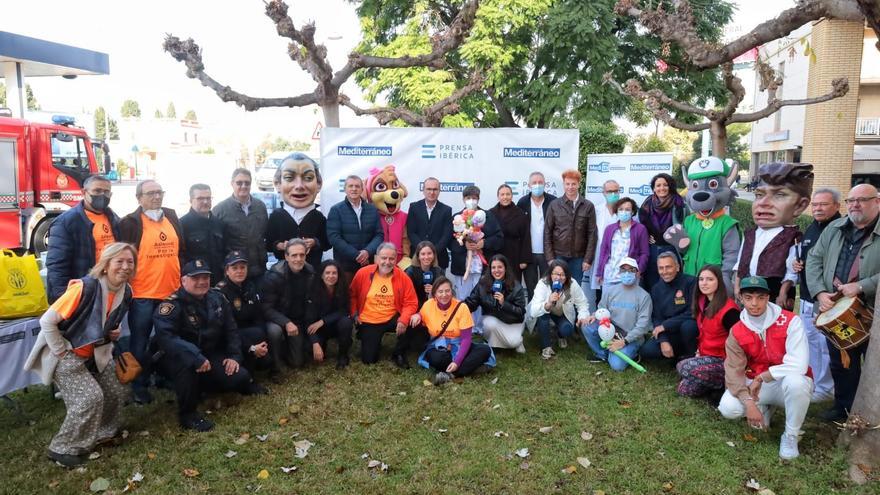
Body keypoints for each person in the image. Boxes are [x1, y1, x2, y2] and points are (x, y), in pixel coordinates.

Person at [25, 242, 135, 467]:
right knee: (89, 399)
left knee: (117, 390)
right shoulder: (84, 288)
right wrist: (62, 352)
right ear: (105, 265)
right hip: (66, 353)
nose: (125, 266)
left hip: (98, 353)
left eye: (130, 262)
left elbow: (107, 322)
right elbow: (47, 321)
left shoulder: (127, 291)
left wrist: (115, 332)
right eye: (119, 261)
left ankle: (104, 432)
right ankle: (63, 448)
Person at [153, 259, 265, 432]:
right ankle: (188, 415)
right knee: (186, 363)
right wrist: (195, 356)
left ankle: (210, 386)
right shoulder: (171, 305)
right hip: (179, 356)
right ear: (183, 280)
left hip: (209, 353)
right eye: (196, 278)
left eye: (205, 277)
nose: (202, 282)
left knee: (240, 377)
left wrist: (234, 357)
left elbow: (231, 330)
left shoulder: (217, 298)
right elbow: (166, 338)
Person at [806, 183, 880, 422]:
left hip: (873, 309)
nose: (855, 205)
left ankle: (872, 412)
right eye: (851, 200)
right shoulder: (835, 229)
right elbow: (814, 260)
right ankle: (844, 407)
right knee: (841, 362)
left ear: (877, 202)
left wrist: (861, 286)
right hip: (836, 308)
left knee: (874, 365)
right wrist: (819, 293)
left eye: (863, 199)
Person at [717, 276, 812, 460]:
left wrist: (764, 376)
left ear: (768, 298)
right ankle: (763, 406)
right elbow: (733, 370)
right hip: (756, 385)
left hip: (785, 382)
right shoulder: (737, 330)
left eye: (760, 297)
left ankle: (791, 436)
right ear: (741, 298)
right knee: (728, 408)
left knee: (796, 383)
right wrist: (749, 403)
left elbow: (799, 364)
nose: (754, 303)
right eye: (749, 297)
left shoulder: (791, 321)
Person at [118, 179, 184, 405]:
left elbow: (180, 250)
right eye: (150, 193)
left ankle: (163, 376)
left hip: (171, 293)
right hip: (143, 295)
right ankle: (139, 385)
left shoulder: (172, 216)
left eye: (159, 192)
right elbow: (123, 257)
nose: (156, 197)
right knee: (140, 342)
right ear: (139, 198)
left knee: (169, 340)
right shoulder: (130, 223)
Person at [734, 163, 813, 308]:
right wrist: (737, 285)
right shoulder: (750, 233)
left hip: (774, 290)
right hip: (748, 286)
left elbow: (792, 269)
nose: (763, 203)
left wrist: (783, 293)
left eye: (779, 195)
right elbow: (741, 261)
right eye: (759, 195)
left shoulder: (792, 237)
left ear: (800, 206)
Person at [791, 188, 841, 402]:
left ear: (837, 206)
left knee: (824, 344)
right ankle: (815, 382)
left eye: (824, 204)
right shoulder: (812, 227)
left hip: (827, 298)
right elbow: (808, 258)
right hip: (807, 296)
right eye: (816, 204)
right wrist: (797, 264)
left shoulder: (840, 229)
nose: (818, 208)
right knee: (810, 340)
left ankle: (826, 388)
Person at [46, 175, 120, 302]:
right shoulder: (66, 222)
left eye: (106, 192)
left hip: (110, 289)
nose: (102, 195)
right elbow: (57, 265)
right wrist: (63, 298)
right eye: (97, 191)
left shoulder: (113, 218)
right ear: (84, 192)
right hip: (83, 291)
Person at [349, 243, 420, 367]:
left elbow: (411, 302)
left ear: (396, 259)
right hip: (369, 320)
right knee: (369, 360)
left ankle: (399, 353)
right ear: (376, 258)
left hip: (392, 318)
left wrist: (403, 320)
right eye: (384, 258)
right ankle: (368, 337)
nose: (387, 262)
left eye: (391, 258)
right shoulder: (363, 273)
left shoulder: (403, 277)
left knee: (413, 321)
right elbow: (352, 295)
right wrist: (354, 314)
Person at [213, 251, 279, 382]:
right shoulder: (220, 293)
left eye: (242, 267)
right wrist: (252, 346)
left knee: (261, 332)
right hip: (230, 337)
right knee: (255, 334)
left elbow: (258, 315)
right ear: (227, 271)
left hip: (252, 333)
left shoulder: (249, 286)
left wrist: (263, 341)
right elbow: (227, 329)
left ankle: (264, 361)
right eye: (234, 268)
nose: (239, 271)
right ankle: (249, 374)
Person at [675, 264, 740, 398]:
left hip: (724, 360)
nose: (704, 283)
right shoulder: (702, 301)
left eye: (710, 279)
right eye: (701, 279)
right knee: (684, 390)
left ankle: (721, 384)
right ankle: (712, 386)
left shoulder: (729, 310)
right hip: (706, 355)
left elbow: (739, 341)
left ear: (719, 282)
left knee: (683, 367)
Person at [416, 276, 495, 385]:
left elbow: (466, 339)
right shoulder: (428, 305)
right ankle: (469, 369)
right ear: (434, 294)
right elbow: (421, 317)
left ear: (452, 291)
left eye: (447, 291)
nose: (444, 295)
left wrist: (457, 361)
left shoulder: (462, 307)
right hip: (439, 347)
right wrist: (417, 316)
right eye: (440, 292)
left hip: (459, 344)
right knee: (435, 358)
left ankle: (451, 374)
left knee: (485, 350)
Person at [449, 185, 504, 330]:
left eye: (474, 198)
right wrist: (464, 245)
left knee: (481, 295)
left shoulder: (488, 216)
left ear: (478, 199)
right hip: (463, 266)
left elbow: (499, 238)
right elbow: (449, 241)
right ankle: (464, 326)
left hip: (482, 266)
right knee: (463, 295)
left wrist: (483, 243)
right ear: (463, 199)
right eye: (468, 198)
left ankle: (479, 326)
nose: (471, 201)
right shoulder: (457, 217)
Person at [583, 257, 652, 371]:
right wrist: (593, 315)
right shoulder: (611, 291)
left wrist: (624, 341)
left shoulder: (644, 296)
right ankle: (603, 355)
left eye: (631, 270)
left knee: (617, 366)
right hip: (611, 331)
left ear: (637, 273)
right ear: (619, 272)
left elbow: (643, 326)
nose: (627, 273)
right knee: (587, 326)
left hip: (631, 337)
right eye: (623, 270)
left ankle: (632, 353)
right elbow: (602, 309)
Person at [266, 153, 329, 269]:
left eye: (308, 178)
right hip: (283, 274)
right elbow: (268, 244)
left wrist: (315, 242)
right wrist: (279, 245)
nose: (299, 186)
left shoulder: (319, 217)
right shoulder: (276, 216)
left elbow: (327, 243)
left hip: (312, 273)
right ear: (277, 184)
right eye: (289, 178)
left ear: (319, 184)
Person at [260, 239, 313, 369]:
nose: (298, 259)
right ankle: (275, 364)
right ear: (286, 256)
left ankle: (287, 348)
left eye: (302, 255)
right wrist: (286, 322)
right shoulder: (273, 276)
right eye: (294, 255)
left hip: (298, 321)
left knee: (297, 363)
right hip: (277, 320)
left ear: (306, 255)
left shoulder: (310, 272)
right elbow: (266, 308)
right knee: (274, 332)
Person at [544, 169, 598, 295]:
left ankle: (573, 314)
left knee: (575, 290)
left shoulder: (588, 206)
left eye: (573, 184)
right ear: (563, 184)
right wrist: (550, 258)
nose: (570, 187)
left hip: (578, 258)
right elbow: (547, 232)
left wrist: (588, 259)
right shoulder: (554, 205)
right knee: (556, 289)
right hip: (558, 256)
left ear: (579, 184)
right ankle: (557, 314)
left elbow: (592, 234)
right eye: (567, 184)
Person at [639, 252, 698, 361]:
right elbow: (657, 318)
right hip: (669, 332)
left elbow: (693, 312)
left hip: (687, 329)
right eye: (661, 268)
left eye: (668, 267)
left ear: (677, 267)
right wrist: (663, 340)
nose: (664, 272)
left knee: (689, 326)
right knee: (647, 351)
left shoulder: (691, 282)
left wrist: (666, 325)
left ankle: (690, 357)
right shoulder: (656, 289)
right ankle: (676, 356)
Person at [464, 254, 528, 353]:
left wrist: (504, 304)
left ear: (505, 268)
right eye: (493, 267)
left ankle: (517, 342)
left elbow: (520, 311)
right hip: (493, 320)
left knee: (513, 343)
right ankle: (493, 344)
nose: (496, 270)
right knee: (489, 323)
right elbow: (472, 302)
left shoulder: (516, 286)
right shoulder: (483, 283)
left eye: (500, 267)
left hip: (512, 321)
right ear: (490, 269)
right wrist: (457, 307)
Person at [528, 259, 591, 360]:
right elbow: (534, 310)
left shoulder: (572, 284)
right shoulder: (543, 284)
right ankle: (546, 347)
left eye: (562, 274)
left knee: (566, 329)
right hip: (545, 312)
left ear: (567, 276)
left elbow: (582, 303)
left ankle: (560, 335)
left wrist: (582, 317)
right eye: (556, 274)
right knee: (542, 315)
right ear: (550, 274)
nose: (559, 277)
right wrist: (548, 304)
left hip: (561, 313)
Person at [213, 168, 269, 279]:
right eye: (239, 183)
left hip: (259, 268)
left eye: (247, 183)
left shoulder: (260, 206)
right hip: (235, 271)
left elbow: (264, 233)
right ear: (232, 184)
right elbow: (217, 244)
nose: (243, 186)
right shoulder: (220, 210)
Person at [327, 175, 384, 280]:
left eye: (357, 186)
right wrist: (357, 255)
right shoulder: (336, 210)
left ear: (362, 189)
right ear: (345, 189)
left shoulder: (372, 209)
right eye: (350, 186)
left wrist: (367, 252)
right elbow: (334, 237)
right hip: (345, 267)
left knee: (368, 295)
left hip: (368, 265)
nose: (354, 189)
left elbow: (379, 234)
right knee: (347, 295)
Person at [638, 173, 685, 290]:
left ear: (670, 186)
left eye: (665, 185)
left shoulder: (678, 203)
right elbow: (642, 224)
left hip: (672, 248)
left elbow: (684, 225)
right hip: (653, 248)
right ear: (654, 188)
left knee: (672, 283)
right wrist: (646, 235)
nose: (662, 188)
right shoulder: (647, 204)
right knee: (652, 282)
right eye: (658, 185)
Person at [305, 260, 354, 369]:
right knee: (309, 351)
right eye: (327, 273)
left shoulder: (343, 287)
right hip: (318, 329)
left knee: (346, 322)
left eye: (334, 273)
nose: (331, 276)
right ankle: (322, 345)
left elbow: (344, 310)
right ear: (321, 275)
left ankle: (343, 355)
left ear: (338, 274)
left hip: (335, 325)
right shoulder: (312, 289)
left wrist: (323, 321)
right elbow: (308, 321)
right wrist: (315, 343)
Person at [516, 171, 557, 300]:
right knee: (531, 287)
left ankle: (545, 317)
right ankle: (532, 316)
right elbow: (519, 231)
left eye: (540, 182)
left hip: (548, 253)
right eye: (534, 183)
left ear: (545, 184)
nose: (537, 185)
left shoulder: (553, 201)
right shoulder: (522, 202)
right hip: (529, 253)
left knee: (547, 287)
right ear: (529, 185)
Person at [583, 180, 620, 314]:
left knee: (618, 292)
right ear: (603, 193)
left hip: (619, 259)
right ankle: (601, 323)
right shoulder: (596, 210)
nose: (613, 194)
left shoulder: (625, 210)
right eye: (609, 191)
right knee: (600, 292)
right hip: (600, 258)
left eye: (616, 191)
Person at [595, 197, 649, 289]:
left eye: (627, 209)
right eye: (621, 209)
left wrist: (639, 270)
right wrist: (599, 272)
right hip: (610, 275)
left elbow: (645, 253)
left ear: (632, 212)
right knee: (607, 302)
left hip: (629, 276)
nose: (624, 212)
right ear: (617, 211)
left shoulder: (640, 229)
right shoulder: (609, 229)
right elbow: (603, 252)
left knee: (628, 302)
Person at [180, 183, 225, 284]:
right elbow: (181, 257)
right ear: (191, 201)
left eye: (208, 198)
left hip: (217, 280)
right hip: (195, 282)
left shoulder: (219, 223)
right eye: (200, 198)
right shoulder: (182, 225)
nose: (205, 202)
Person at [406, 177, 454, 269]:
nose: (432, 192)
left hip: (439, 258)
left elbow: (446, 235)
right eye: (429, 189)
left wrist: (433, 252)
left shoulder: (447, 210)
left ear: (439, 191)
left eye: (435, 189)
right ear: (423, 190)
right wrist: (423, 251)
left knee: (439, 283)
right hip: (417, 258)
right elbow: (411, 232)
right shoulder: (414, 207)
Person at [490, 184, 531, 283]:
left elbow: (526, 237)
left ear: (512, 196)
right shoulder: (490, 213)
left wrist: (524, 260)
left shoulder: (520, 213)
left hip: (514, 255)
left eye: (508, 194)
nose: (505, 197)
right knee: (497, 284)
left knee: (514, 283)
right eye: (502, 194)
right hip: (497, 255)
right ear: (498, 196)